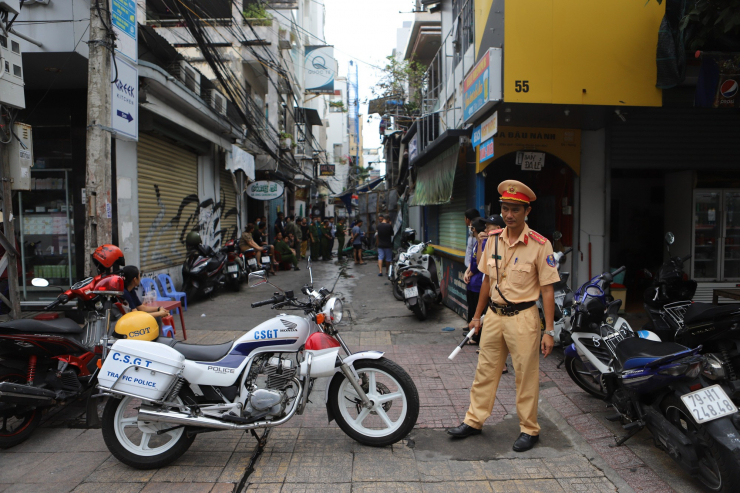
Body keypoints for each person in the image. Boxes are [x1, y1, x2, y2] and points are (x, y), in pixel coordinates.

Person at [447, 180, 559, 453]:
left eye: (515, 210)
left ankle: (529, 429)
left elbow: (547, 290)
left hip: (524, 318)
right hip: (494, 317)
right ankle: (474, 421)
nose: (509, 215)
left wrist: (549, 330)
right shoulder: (493, 239)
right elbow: (486, 281)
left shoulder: (540, 245)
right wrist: (476, 317)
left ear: (527, 211)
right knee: (485, 371)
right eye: (505, 209)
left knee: (526, 376)